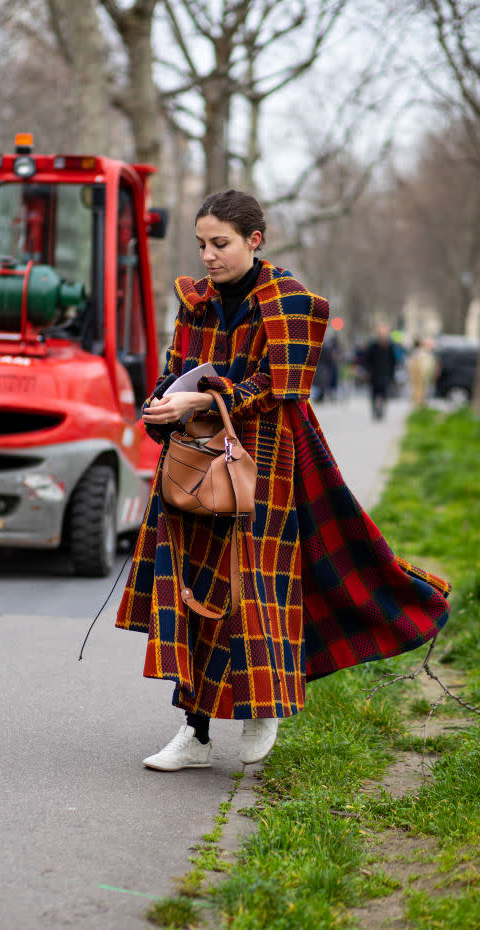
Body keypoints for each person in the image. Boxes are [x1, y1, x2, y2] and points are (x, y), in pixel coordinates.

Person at [116, 190, 450, 772]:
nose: (208, 257)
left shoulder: (292, 303)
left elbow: (278, 389)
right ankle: (194, 734)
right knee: (192, 590)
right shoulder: (193, 302)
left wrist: (201, 395)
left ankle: (260, 708)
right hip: (192, 460)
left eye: (219, 244)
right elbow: (175, 369)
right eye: (201, 245)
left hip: (263, 463)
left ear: (254, 240)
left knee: (253, 588)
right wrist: (162, 402)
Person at [363, 325, 397, 419]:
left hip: (385, 374)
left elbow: (393, 361)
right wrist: (368, 371)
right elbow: (366, 360)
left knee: (384, 394)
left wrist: (392, 373)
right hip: (374, 375)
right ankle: (375, 411)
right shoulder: (373, 346)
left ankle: (381, 411)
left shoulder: (389, 347)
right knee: (374, 394)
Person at [408, 338, 435, 407]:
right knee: (419, 391)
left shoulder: (426, 353)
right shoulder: (420, 353)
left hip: (425, 375)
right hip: (420, 375)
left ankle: (420, 404)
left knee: (423, 391)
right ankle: (418, 405)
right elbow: (416, 366)